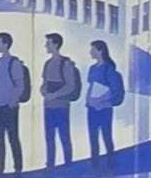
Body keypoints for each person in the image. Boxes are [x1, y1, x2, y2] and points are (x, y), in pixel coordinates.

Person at [0, 31, 29, 175]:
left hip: (10, 107)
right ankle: (0, 168)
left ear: (6, 44)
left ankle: (18, 168)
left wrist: (12, 102)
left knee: (13, 138)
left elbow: (20, 85)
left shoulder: (14, 63)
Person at [40, 33, 80, 168]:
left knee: (64, 137)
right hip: (48, 106)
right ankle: (50, 165)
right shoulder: (47, 64)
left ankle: (68, 165)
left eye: (48, 43)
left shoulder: (65, 64)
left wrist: (54, 95)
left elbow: (70, 86)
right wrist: (43, 91)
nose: (46, 46)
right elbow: (44, 83)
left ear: (56, 44)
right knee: (49, 138)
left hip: (61, 106)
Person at [83, 42, 121, 165]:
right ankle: (95, 165)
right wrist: (88, 101)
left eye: (93, 49)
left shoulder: (109, 69)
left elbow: (114, 90)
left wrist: (102, 102)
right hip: (92, 108)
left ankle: (111, 164)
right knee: (93, 138)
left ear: (100, 51)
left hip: (104, 108)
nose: (90, 52)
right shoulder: (92, 68)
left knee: (106, 136)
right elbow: (91, 86)